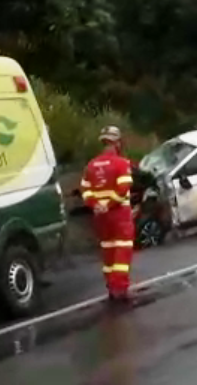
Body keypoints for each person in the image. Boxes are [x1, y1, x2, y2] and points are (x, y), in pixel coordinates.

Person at [80, 126, 136, 302]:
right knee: (122, 251)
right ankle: (119, 289)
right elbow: (123, 187)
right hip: (119, 214)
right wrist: (108, 204)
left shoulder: (91, 165)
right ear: (117, 142)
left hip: (101, 217)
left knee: (108, 251)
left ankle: (111, 288)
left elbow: (85, 190)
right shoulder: (122, 163)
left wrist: (96, 205)